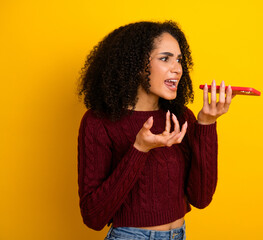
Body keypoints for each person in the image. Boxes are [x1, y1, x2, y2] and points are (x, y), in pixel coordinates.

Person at [77, 20, 234, 240]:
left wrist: (207, 123)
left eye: (179, 59)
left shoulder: (180, 117)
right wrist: (139, 149)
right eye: (165, 58)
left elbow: (201, 198)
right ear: (137, 65)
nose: (177, 68)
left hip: (178, 234)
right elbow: (93, 217)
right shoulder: (99, 122)